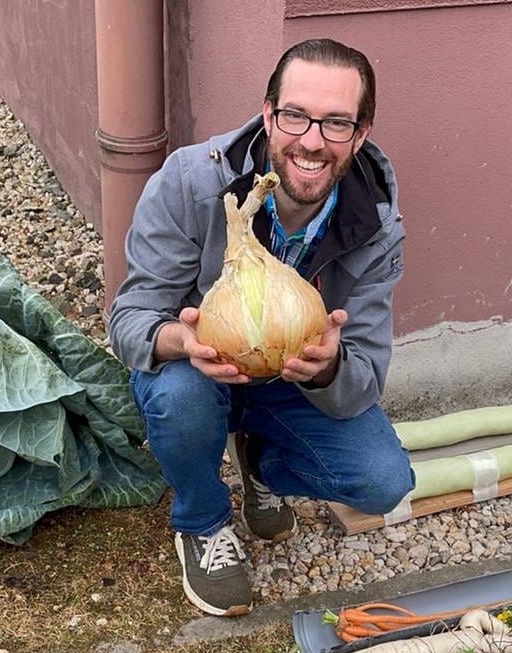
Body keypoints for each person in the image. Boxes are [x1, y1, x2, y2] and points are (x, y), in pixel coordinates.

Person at [108, 38, 414, 617]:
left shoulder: (376, 226)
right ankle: (201, 521)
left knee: (383, 483)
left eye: (336, 123)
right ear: (269, 114)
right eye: (296, 115)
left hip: (290, 384)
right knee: (179, 394)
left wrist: (329, 367)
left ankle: (260, 462)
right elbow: (129, 322)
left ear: (361, 133)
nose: (312, 141)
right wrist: (185, 340)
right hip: (199, 373)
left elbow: (366, 378)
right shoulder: (190, 182)